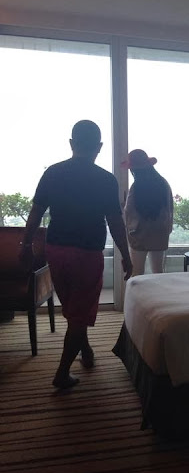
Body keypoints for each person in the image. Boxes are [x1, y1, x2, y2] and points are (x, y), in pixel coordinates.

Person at [19, 120, 132, 390]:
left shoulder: (53, 173)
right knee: (79, 312)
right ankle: (61, 374)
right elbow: (115, 222)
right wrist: (126, 255)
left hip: (56, 251)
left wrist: (25, 245)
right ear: (99, 147)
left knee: (73, 307)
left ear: (71, 143)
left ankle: (87, 351)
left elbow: (36, 212)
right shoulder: (106, 179)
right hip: (87, 253)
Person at [122, 149, 174, 276]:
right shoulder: (163, 183)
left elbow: (129, 212)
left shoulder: (136, 186)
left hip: (139, 234)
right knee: (158, 272)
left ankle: (137, 291)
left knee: (137, 273)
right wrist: (167, 228)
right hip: (159, 233)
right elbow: (169, 209)